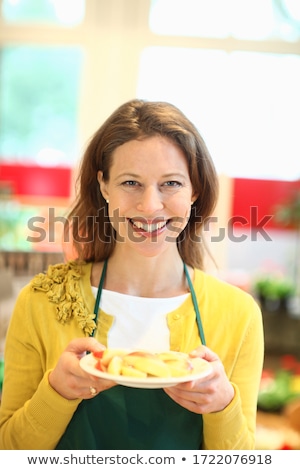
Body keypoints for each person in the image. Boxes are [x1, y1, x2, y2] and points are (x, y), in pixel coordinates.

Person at [0, 99, 264, 450]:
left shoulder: (239, 313)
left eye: (170, 183)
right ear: (104, 186)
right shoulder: (42, 300)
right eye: (130, 182)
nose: (151, 205)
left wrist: (222, 406)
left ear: (195, 190)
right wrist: (57, 391)